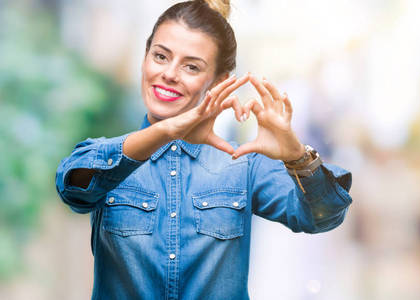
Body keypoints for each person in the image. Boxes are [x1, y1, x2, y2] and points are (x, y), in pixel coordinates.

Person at [55, 1, 352, 299]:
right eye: (160, 56)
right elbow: (73, 188)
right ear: (144, 59)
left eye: (191, 66)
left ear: (220, 82)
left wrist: (297, 155)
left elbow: (323, 215)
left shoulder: (242, 165)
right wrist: (165, 131)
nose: (170, 74)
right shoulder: (109, 156)